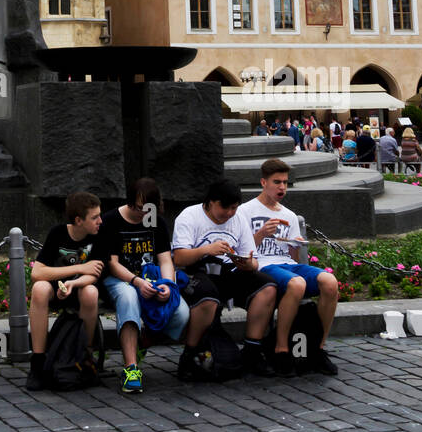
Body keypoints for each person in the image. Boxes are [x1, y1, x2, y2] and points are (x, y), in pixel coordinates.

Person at [238, 158, 339, 376]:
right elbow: (242, 251)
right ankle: (281, 349)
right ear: (263, 182)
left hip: (287, 264)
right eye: (277, 182)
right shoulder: (245, 211)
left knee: (330, 282)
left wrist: (297, 244)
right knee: (296, 284)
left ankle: (318, 348)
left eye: (285, 182)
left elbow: (293, 258)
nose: (282, 187)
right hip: (261, 265)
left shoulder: (289, 215)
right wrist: (261, 234)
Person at [171, 178, 277, 380]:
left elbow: (253, 259)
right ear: (211, 202)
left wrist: (246, 264)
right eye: (225, 208)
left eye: (234, 208)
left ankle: (253, 351)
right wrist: (206, 250)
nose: (229, 213)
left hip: (229, 270)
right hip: (196, 272)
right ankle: (189, 355)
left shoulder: (238, 220)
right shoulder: (190, 216)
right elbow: (179, 258)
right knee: (208, 296)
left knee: (267, 286)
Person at [94, 177, 190, 394]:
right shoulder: (112, 220)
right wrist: (136, 282)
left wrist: (167, 285)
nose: (144, 214)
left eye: (149, 209)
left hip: (151, 279)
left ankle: (143, 341)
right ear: (130, 202)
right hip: (120, 280)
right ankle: (130, 369)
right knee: (128, 297)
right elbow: (113, 264)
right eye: (140, 208)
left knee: (181, 313)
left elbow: (165, 259)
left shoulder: (155, 221)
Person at [27, 191, 104, 391]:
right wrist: (78, 268)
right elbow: (37, 272)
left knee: (91, 292)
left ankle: (84, 356)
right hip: (56, 291)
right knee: (39, 288)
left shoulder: (98, 236)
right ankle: (38, 361)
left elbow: (94, 274)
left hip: (79, 290)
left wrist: (73, 283)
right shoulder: (58, 233)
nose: (100, 221)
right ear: (79, 220)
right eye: (94, 217)